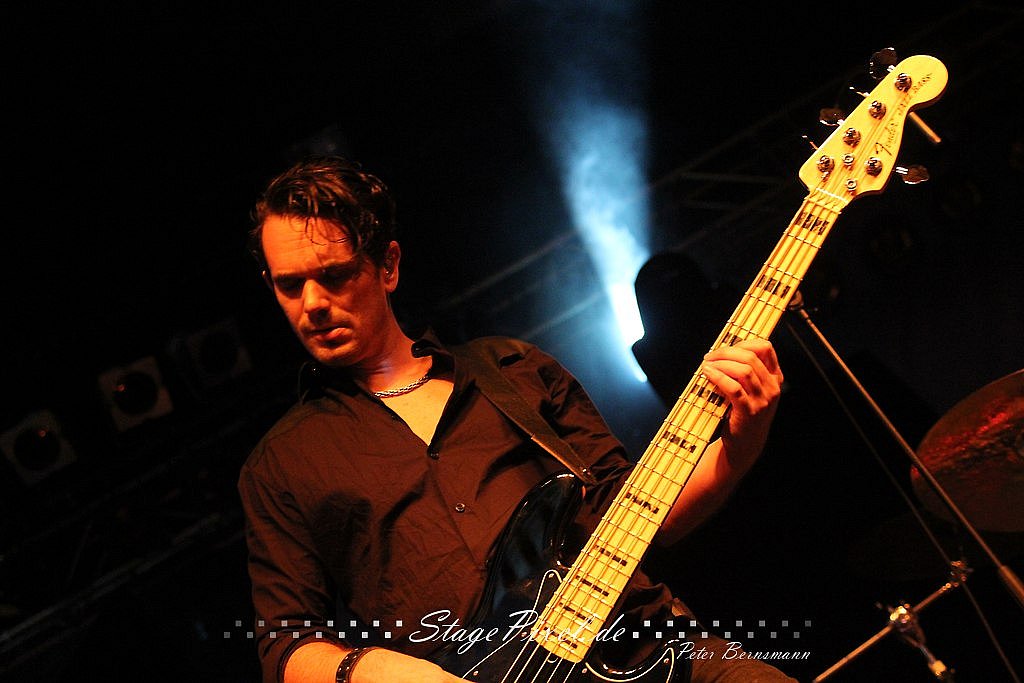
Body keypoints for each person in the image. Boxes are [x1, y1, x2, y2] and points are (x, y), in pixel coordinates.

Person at [238, 155, 795, 683]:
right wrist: (384, 672)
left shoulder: (514, 371)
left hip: (654, 650)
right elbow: (287, 643)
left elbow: (640, 515)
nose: (313, 303)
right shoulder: (282, 464)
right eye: (290, 285)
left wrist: (740, 443)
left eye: (335, 275)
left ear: (388, 265)